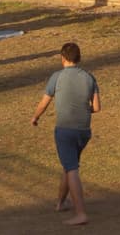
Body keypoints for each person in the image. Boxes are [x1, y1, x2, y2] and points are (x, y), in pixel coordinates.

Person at [30, 42, 99, 226]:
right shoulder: (89, 77)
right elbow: (97, 107)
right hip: (84, 131)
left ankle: (81, 213)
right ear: (79, 58)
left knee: (72, 169)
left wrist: (35, 117)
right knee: (69, 166)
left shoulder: (57, 77)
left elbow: (44, 102)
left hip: (65, 131)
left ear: (62, 58)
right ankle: (60, 203)